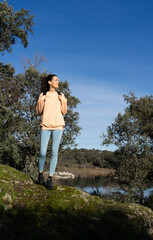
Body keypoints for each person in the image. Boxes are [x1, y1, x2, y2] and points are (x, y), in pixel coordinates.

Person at [36, 74, 67, 190]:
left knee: (54, 152)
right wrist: (40, 101)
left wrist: (63, 100)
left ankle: (50, 178)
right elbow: (38, 111)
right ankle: (40, 174)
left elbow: (64, 111)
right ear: (49, 82)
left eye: (58, 80)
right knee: (42, 152)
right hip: (45, 125)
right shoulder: (43, 95)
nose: (58, 82)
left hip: (58, 126)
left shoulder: (61, 95)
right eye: (56, 80)